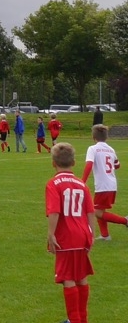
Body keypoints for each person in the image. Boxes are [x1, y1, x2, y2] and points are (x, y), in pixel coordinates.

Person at [45, 142, 95, 323]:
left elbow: (54, 211)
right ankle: (82, 318)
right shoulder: (82, 184)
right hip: (83, 235)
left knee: (68, 278)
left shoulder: (53, 184)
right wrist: (91, 234)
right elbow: (90, 212)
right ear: (74, 162)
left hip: (66, 237)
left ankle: (74, 319)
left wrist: (51, 234)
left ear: (53, 163)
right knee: (81, 276)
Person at [82, 124, 127, 241]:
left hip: (103, 185)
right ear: (106, 137)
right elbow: (117, 165)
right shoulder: (111, 149)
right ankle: (105, 235)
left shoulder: (92, 148)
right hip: (112, 184)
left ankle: (125, 221)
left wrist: (82, 182)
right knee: (100, 210)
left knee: (96, 212)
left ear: (93, 137)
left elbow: (89, 164)